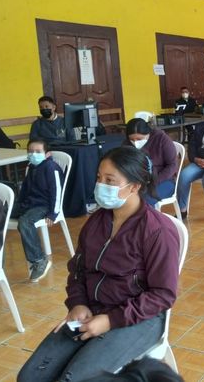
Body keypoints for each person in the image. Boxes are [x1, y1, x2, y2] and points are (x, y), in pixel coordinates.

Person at [18, 146, 179, 382]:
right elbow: (77, 269)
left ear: (134, 186)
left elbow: (163, 294)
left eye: (110, 180)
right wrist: (78, 303)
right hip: (93, 308)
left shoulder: (157, 231)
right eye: (99, 178)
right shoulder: (96, 221)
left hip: (140, 317)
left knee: (76, 379)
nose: (100, 185)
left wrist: (110, 320)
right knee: (30, 377)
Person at [11, 139, 63, 282]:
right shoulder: (31, 167)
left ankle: (39, 260)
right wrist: (18, 205)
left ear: (47, 154)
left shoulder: (51, 167)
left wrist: (53, 213)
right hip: (29, 203)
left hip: (44, 205)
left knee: (25, 222)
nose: (33, 154)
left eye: (38, 152)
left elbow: (57, 191)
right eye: (30, 151)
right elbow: (25, 190)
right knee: (0, 212)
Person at [124, 119, 178, 205]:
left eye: (139, 139)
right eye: (132, 139)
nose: (135, 142)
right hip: (138, 181)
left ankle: (148, 214)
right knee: (123, 198)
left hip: (163, 180)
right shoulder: (127, 143)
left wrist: (153, 181)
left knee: (142, 202)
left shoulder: (161, 139)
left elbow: (172, 165)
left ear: (148, 133)